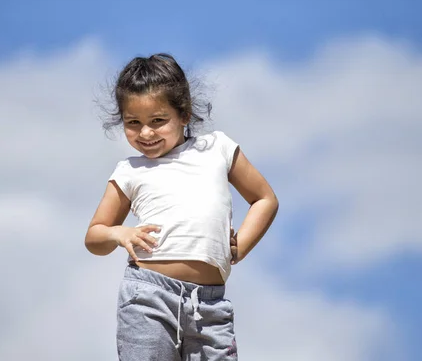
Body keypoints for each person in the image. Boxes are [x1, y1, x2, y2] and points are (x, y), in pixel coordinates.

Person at [85, 53, 279, 360]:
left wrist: (239, 246)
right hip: (149, 298)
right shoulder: (129, 171)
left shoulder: (217, 148)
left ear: (184, 114)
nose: (145, 132)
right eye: (133, 123)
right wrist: (120, 234)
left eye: (158, 121)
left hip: (210, 306)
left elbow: (265, 199)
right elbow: (94, 236)